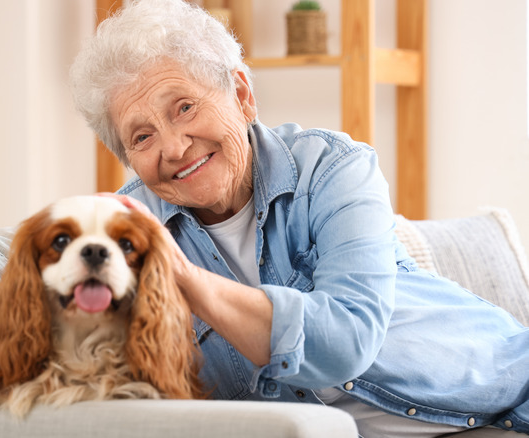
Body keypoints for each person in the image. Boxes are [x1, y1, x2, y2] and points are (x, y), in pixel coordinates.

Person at [69, 0, 529, 436]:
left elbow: (347, 339)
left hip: (505, 402)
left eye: (185, 107)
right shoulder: (122, 235)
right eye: (143, 136)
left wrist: (191, 282)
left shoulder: (332, 168)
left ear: (242, 95)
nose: (173, 147)